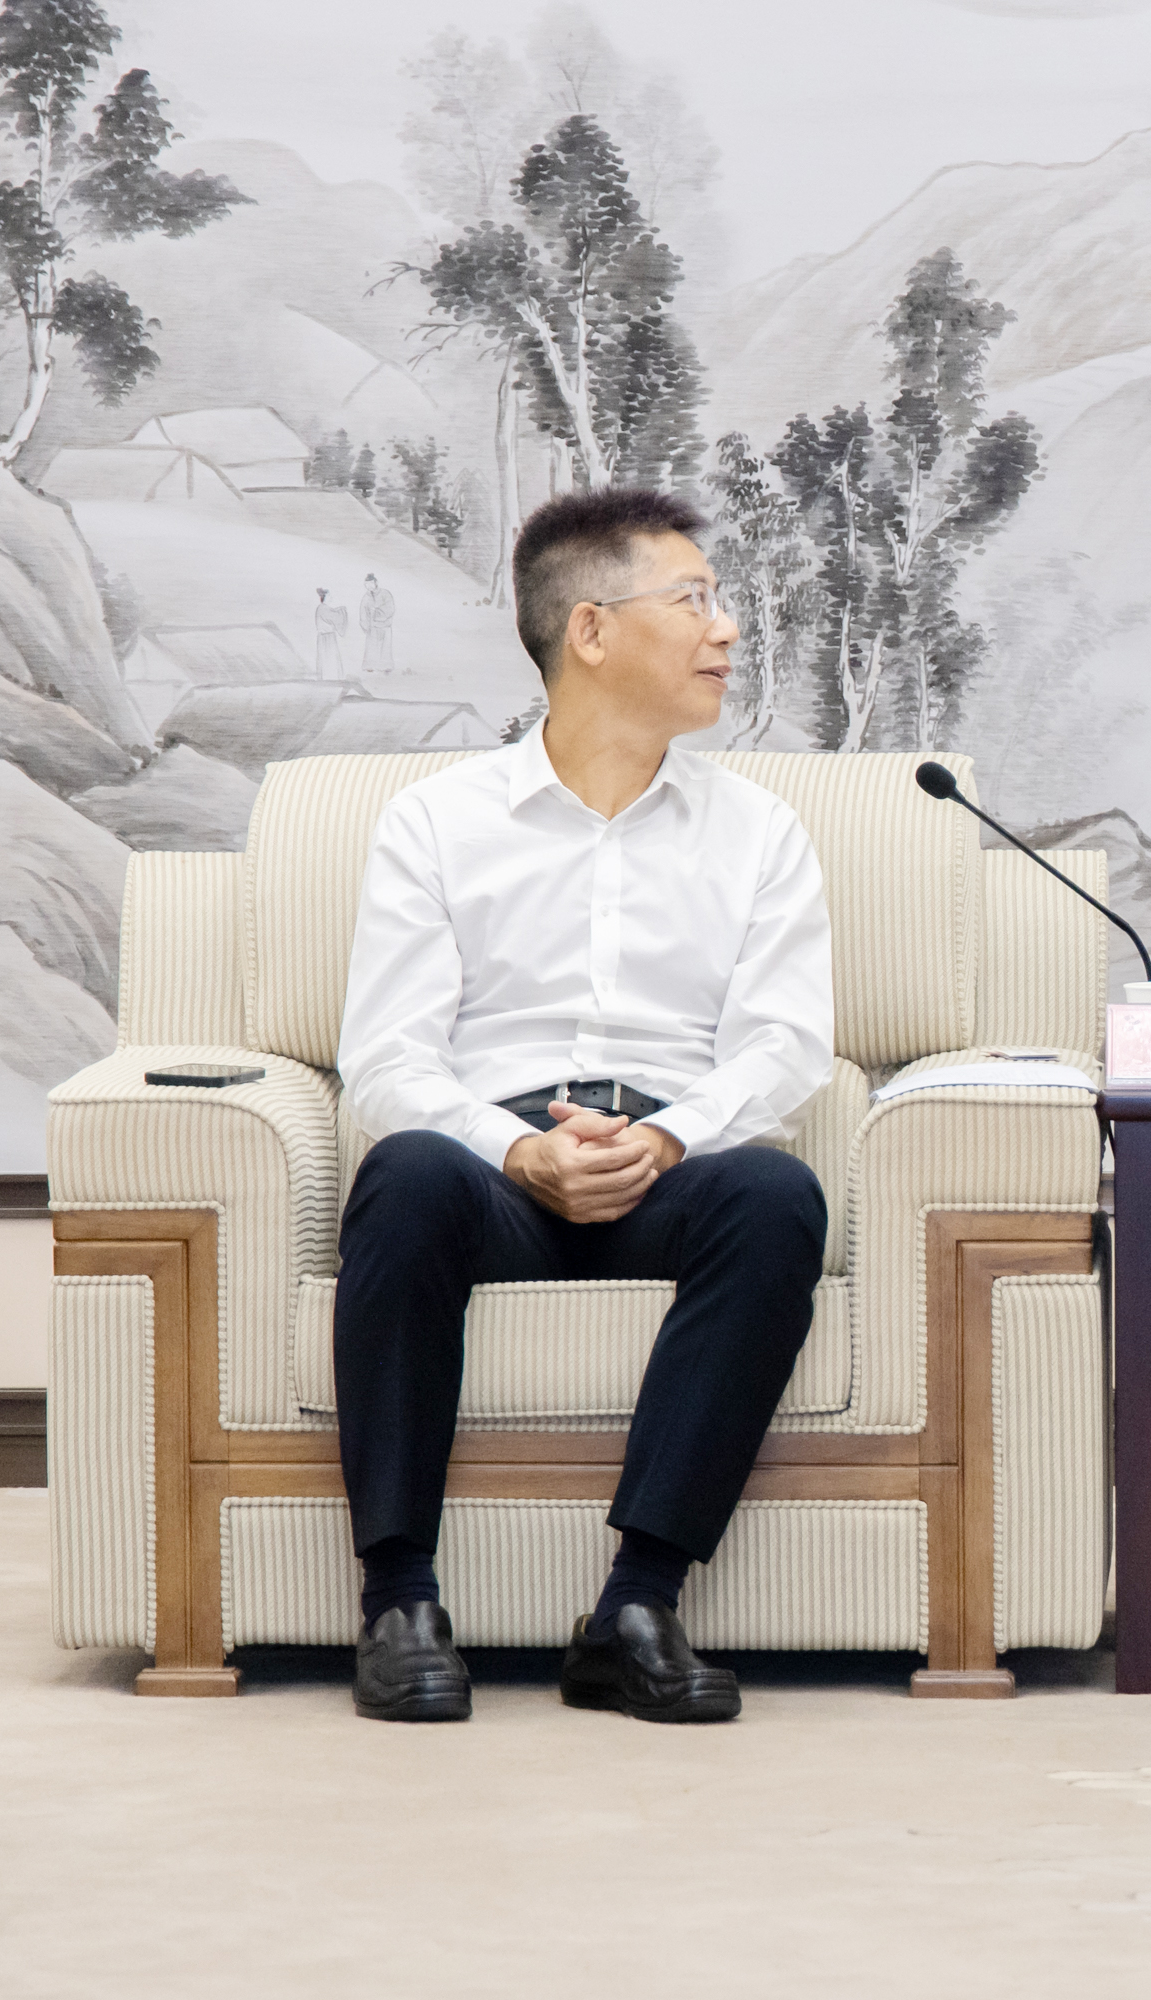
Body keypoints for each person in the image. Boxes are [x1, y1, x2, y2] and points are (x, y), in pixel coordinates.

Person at [332, 488, 835, 1725]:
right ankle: (398, 1601)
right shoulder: (437, 823)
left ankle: (635, 1608)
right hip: (492, 1176)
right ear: (591, 629)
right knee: (405, 1169)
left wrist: (663, 1136)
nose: (726, 628)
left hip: (673, 1167)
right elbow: (386, 1055)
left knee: (776, 1192)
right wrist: (522, 1152)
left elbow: (785, 1043)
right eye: (694, 599)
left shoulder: (761, 831)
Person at [360, 572, 396, 674]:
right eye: (366, 584)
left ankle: (386, 666)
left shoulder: (385, 593)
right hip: (372, 627)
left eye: (371, 583)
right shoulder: (366, 597)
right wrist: (365, 625)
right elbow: (362, 613)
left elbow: (390, 609)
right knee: (371, 647)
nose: (369, 586)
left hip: (384, 626)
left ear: (376, 582)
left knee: (385, 647)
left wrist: (376, 612)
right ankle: (370, 666)